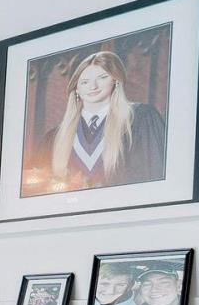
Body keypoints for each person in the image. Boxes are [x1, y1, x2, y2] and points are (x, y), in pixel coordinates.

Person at [30, 51, 168, 196]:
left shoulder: (141, 119)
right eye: (84, 82)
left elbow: (156, 178)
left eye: (102, 78)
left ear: (115, 80)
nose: (93, 86)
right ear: (76, 88)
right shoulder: (54, 138)